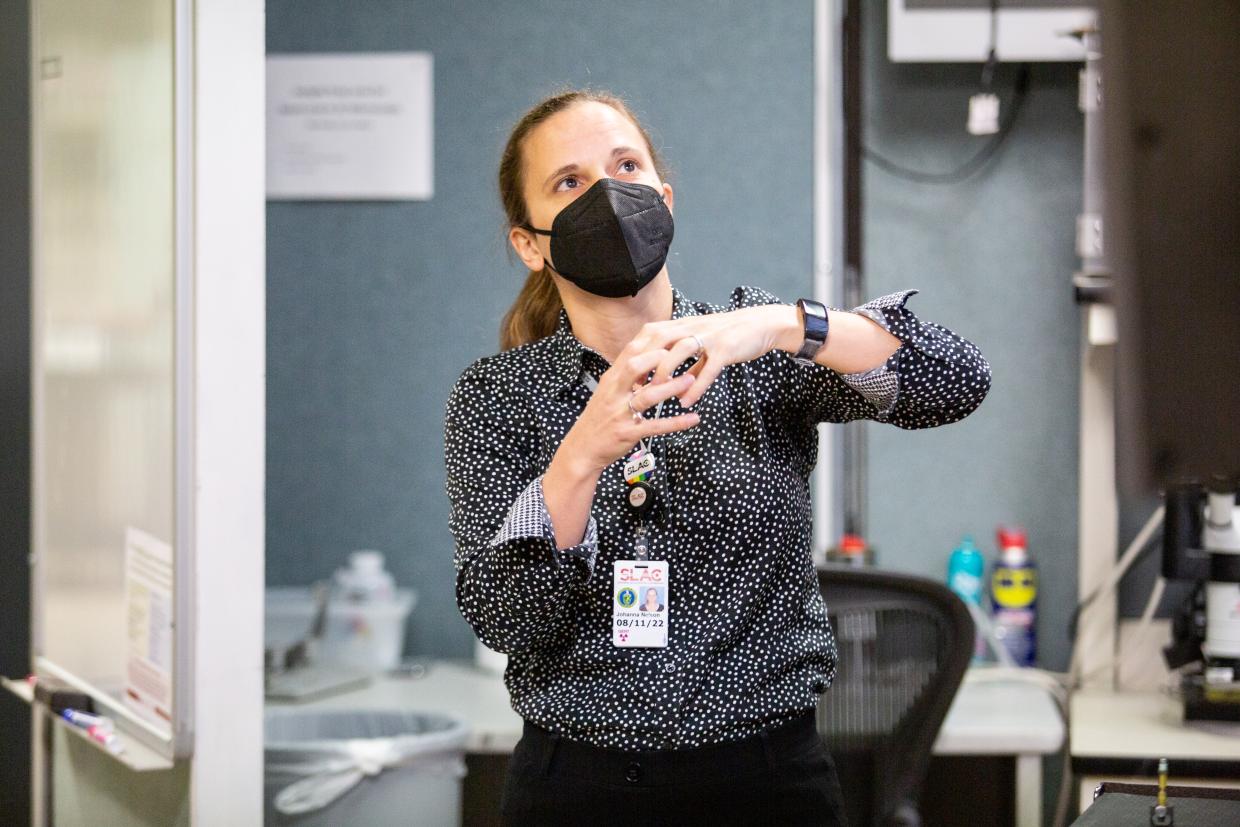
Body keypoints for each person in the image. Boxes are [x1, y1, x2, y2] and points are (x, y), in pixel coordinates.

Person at [444, 89, 990, 826]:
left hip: (766, 784)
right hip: (575, 787)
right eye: (569, 183)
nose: (606, 196)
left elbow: (955, 380)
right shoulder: (498, 396)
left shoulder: (761, 351)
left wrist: (781, 324)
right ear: (531, 242)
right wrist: (580, 456)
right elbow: (511, 619)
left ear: (663, 199)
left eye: (625, 166)